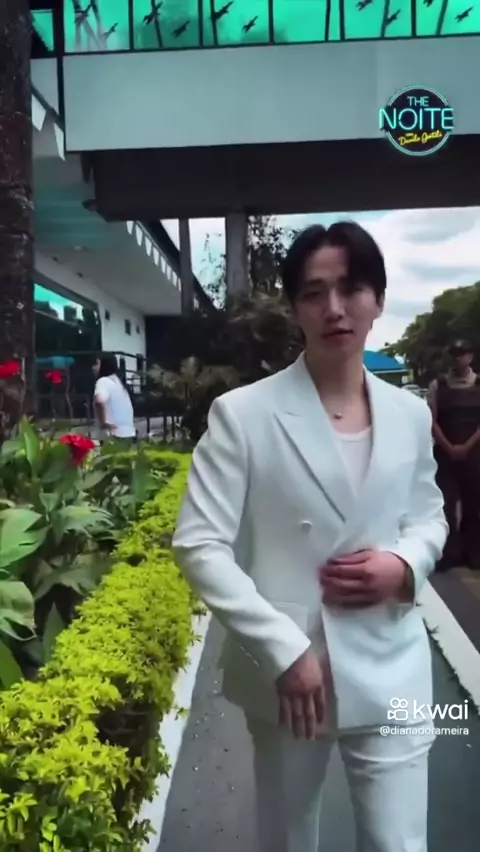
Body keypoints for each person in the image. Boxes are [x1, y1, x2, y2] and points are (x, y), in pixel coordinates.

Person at [173, 222, 448, 852]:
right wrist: (283, 650)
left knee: (399, 842)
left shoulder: (410, 414)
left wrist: (405, 565)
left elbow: (428, 516)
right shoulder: (244, 414)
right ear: (295, 308)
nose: (334, 308)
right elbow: (199, 543)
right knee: (289, 839)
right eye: (314, 292)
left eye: (351, 289)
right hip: (291, 673)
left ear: (377, 299)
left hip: (391, 659)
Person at [428, 339, 480, 570]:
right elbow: (432, 420)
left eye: (464, 353)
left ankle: (473, 552)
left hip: (475, 455)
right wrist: (449, 447)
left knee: (473, 504)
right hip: (445, 455)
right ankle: (449, 553)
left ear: (471, 356)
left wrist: (467, 445)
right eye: (456, 353)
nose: (460, 358)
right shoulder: (438, 385)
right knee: (446, 505)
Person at [92, 354, 136, 441]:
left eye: (97, 364)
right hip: (128, 433)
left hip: (113, 433)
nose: (93, 367)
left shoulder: (103, 381)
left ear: (104, 365)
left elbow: (99, 401)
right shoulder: (118, 382)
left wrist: (103, 423)